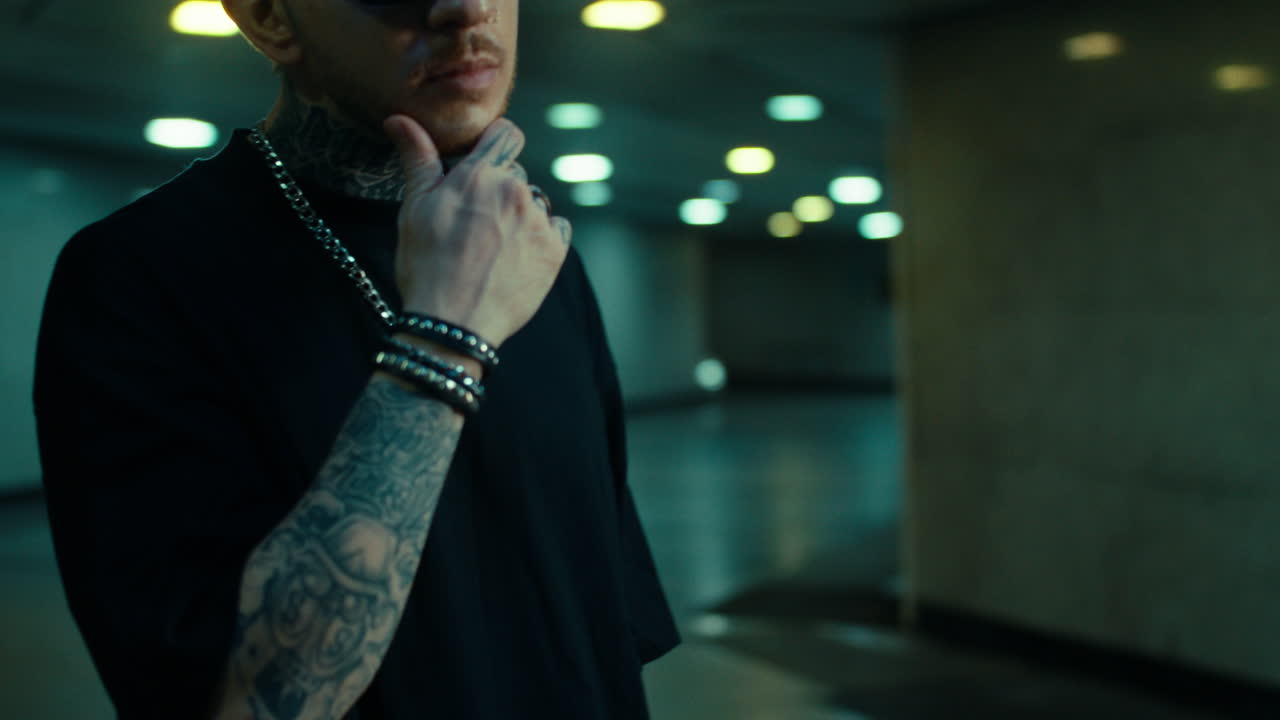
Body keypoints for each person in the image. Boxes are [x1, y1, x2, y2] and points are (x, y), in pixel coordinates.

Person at [32, 0, 679, 717]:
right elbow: (239, 702)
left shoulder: (531, 246)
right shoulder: (137, 276)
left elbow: (605, 634)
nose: (467, 6)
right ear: (270, 17)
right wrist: (444, 334)